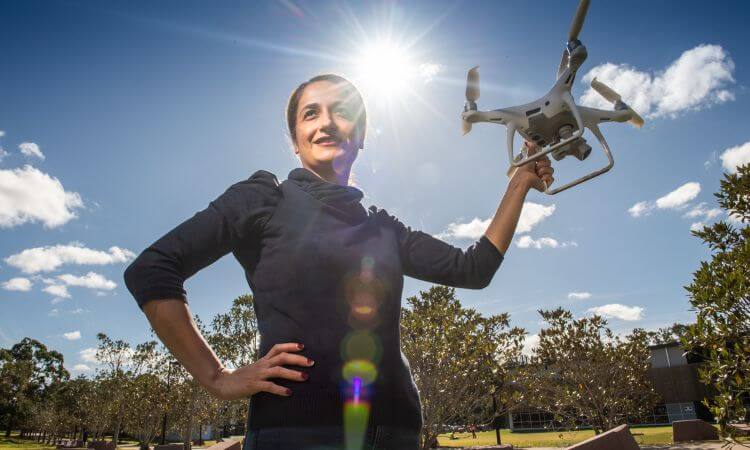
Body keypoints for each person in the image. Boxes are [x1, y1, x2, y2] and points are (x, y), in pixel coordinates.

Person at [123, 73, 554, 450]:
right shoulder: (262, 199)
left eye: (341, 111)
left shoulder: (384, 228)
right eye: (311, 114)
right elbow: (152, 270)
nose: (326, 122)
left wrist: (519, 183)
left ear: (361, 135)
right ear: (295, 140)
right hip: (296, 433)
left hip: (395, 432)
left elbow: (473, 269)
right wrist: (218, 378)